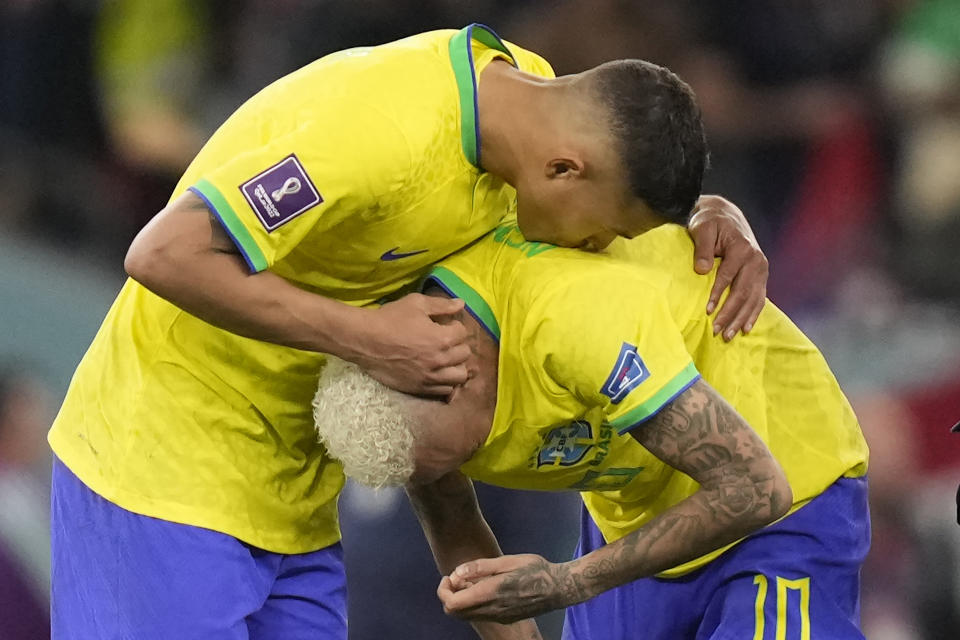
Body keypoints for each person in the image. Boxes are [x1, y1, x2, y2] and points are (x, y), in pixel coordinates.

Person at [47, 22, 768, 639]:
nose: (599, 250)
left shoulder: (532, 107)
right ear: (562, 169)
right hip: (159, 481)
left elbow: (614, 171)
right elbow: (161, 253)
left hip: (293, 503)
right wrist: (369, 337)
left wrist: (715, 215)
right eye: (608, 231)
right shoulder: (379, 135)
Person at [314, 221, 871, 639]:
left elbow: (755, 488)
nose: (451, 477)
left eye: (453, 461)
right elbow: (455, 523)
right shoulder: (408, 399)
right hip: (636, 514)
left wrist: (566, 583)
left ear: (456, 376)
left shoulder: (570, 321)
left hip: (780, 482)